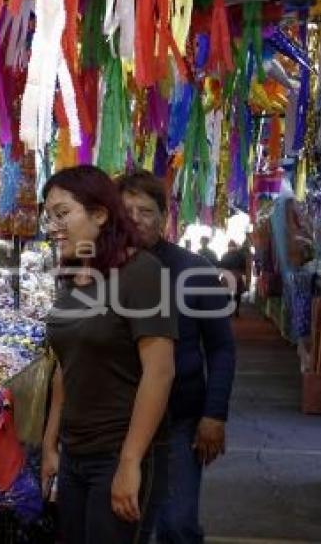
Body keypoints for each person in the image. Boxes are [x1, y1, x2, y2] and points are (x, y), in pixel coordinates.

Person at [40, 166, 176, 544]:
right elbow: (66, 367)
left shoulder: (141, 271)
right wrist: (51, 444)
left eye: (63, 214)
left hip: (119, 451)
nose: (53, 227)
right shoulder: (73, 276)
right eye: (49, 216)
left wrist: (130, 462)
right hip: (74, 452)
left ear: (100, 214)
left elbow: (160, 372)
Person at [119, 171, 236, 544]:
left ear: (164, 217)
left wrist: (214, 414)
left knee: (177, 524)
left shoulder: (195, 270)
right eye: (127, 211)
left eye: (145, 211)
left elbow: (221, 347)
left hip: (179, 419)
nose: (136, 219)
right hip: (117, 418)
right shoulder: (103, 271)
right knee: (124, 521)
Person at [219, 240, 248, 317]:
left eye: (232, 246)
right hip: (236, 274)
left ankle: (232, 310)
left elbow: (221, 266)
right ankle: (235, 310)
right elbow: (244, 267)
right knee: (236, 294)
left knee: (230, 294)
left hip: (229, 275)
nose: (231, 247)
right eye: (230, 246)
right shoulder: (240, 255)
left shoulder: (225, 255)